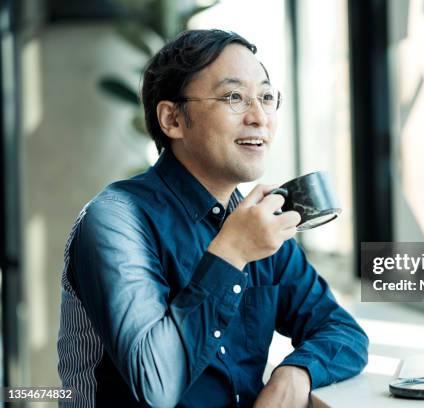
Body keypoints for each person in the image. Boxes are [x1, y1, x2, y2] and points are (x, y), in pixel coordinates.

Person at [57, 29, 368, 407]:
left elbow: (342, 330)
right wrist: (231, 253)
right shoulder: (116, 220)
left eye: (266, 98)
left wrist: (297, 372)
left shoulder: (258, 222)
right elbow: (156, 384)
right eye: (233, 97)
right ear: (172, 119)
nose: (259, 118)